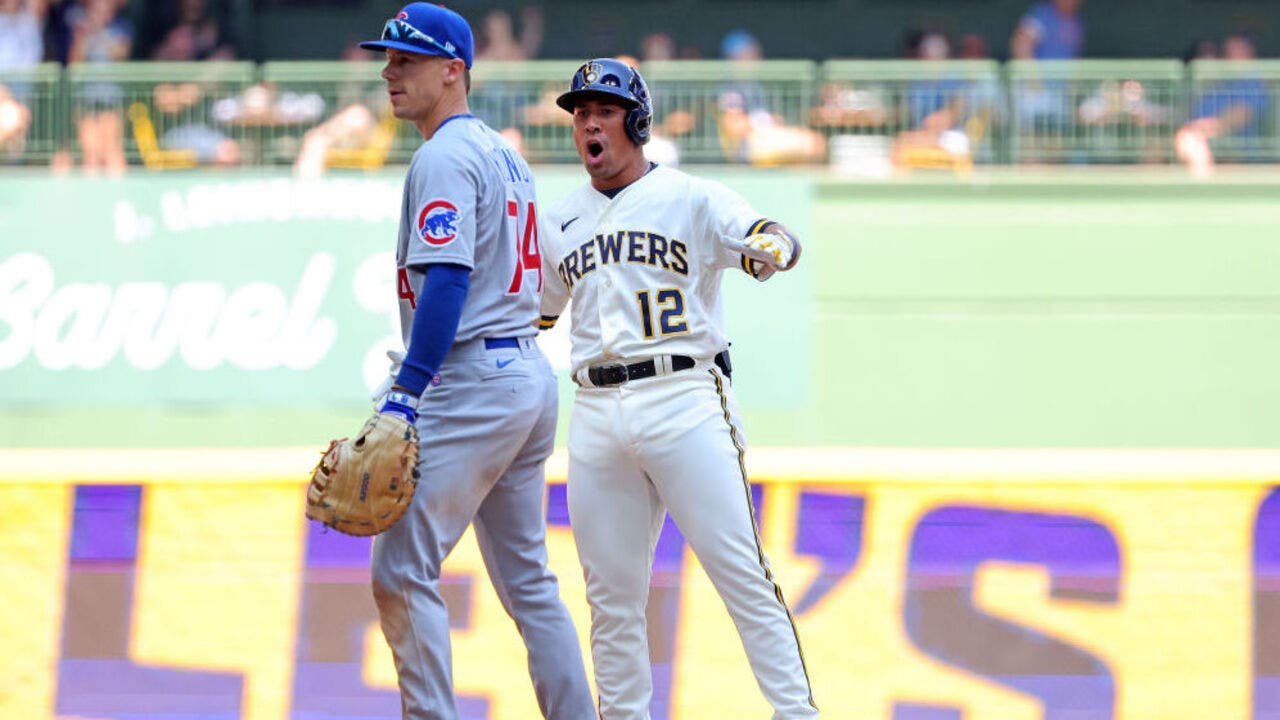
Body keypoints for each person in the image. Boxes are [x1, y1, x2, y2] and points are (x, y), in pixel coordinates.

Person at [538, 57, 819, 719]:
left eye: (602, 110)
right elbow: (540, 313)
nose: (588, 124)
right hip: (597, 411)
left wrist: (771, 248)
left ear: (635, 120)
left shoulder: (693, 196)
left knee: (743, 576)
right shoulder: (559, 221)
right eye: (580, 114)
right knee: (611, 600)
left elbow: (770, 236)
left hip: (684, 398)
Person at [354, 4, 595, 719]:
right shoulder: (502, 151)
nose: (390, 72)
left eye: (408, 60)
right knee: (528, 582)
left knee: (401, 567)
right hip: (526, 373)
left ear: (453, 71)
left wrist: (406, 393)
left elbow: (449, 280)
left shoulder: (444, 155)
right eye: (388, 58)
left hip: (471, 379)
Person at [716, 28, 825, 165]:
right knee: (810, 144)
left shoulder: (756, 87)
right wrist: (766, 122)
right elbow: (734, 126)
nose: (753, 60)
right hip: (746, 147)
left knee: (816, 142)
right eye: (746, 56)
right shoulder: (731, 88)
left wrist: (773, 123)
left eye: (754, 55)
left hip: (764, 139)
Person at [1176, 33, 1270, 178]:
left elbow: (1240, 115)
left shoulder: (1253, 81)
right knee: (1159, 144)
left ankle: (1203, 186)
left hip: (1236, 143)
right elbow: (1187, 115)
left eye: (1237, 51)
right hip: (1209, 138)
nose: (1231, 56)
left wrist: (1208, 127)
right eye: (1228, 52)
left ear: (1249, 53)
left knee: (1189, 138)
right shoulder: (1220, 82)